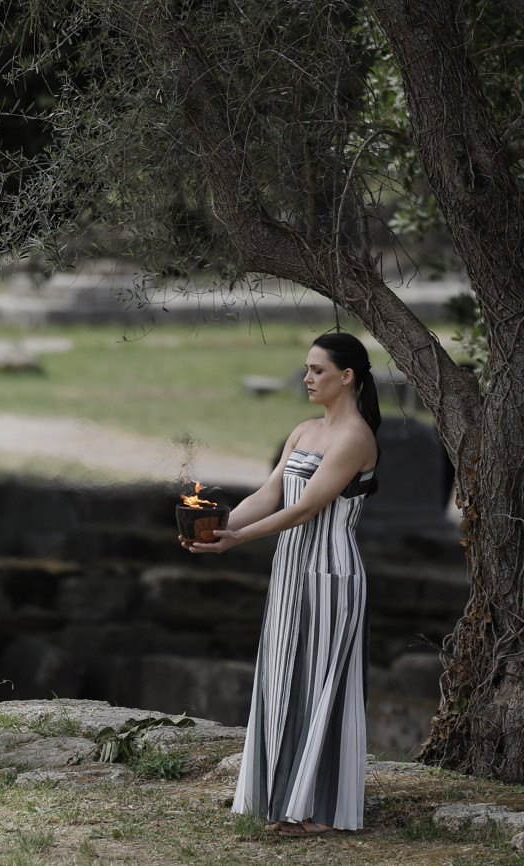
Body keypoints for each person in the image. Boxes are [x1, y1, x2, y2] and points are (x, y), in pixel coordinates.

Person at [183, 331, 379, 836]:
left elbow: (308, 506)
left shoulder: (354, 437)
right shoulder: (304, 430)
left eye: (317, 370)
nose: (308, 378)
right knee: (282, 680)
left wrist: (238, 539)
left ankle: (319, 812)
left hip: (330, 575)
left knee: (319, 685)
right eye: (307, 369)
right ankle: (285, 803)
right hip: (290, 573)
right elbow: (271, 493)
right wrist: (218, 526)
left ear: (347, 376)